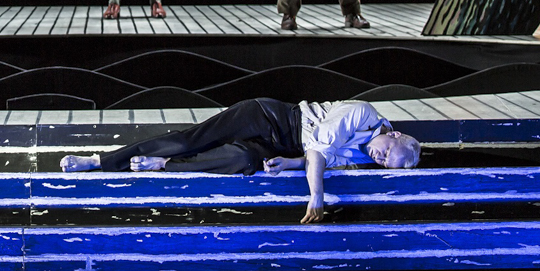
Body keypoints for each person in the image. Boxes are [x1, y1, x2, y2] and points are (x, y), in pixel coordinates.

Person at [59, 97, 420, 223]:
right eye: (388, 150)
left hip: (286, 148)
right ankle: (99, 160)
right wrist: (316, 196)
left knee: (243, 160)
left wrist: (289, 165)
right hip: (271, 117)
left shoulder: (369, 155)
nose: (380, 156)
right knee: (190, 140)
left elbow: (315, 158)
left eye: (385, 162)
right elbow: (318, 150)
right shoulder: (362, 113)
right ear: (396, 133)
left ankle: (163, 166)